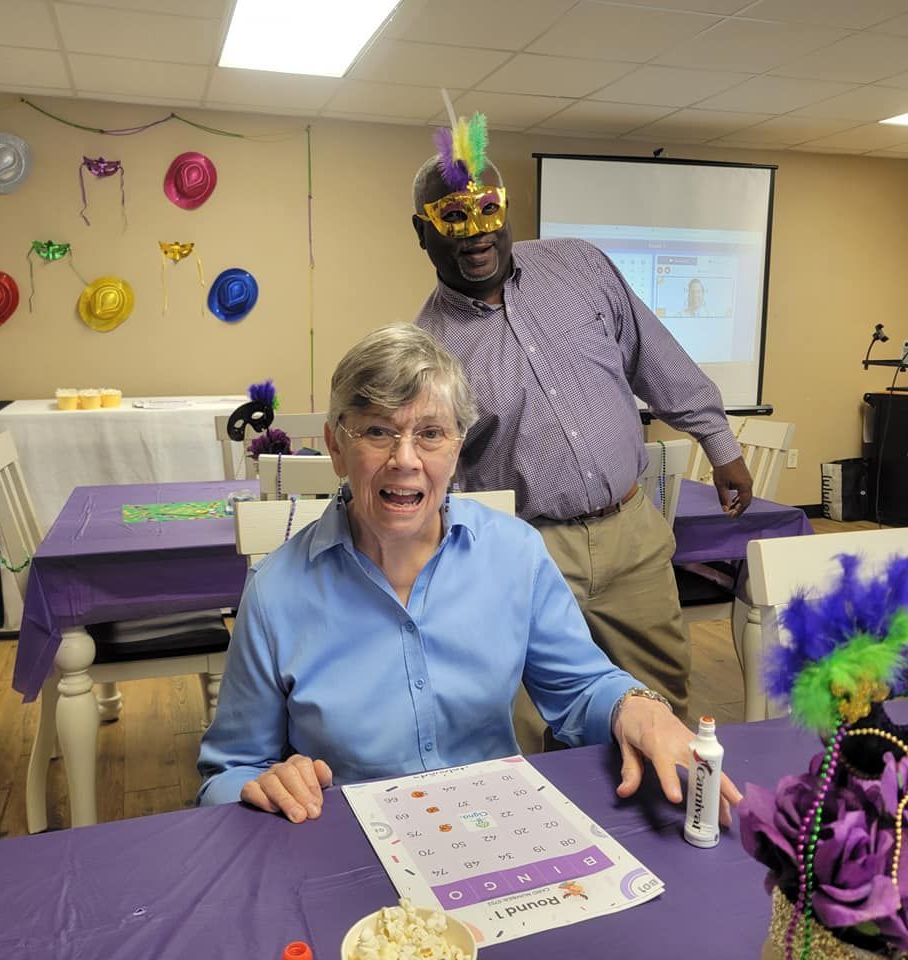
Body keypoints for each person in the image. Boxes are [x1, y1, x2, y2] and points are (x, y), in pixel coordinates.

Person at [196, 324, 742, 825]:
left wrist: (638, 709)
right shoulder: (276, 592)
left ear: (458, 448)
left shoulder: (514, 555)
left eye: (430, 433)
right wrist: (260, 783)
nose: (404, 459)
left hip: (496, 830)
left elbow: (580, 688)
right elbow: (229, 771)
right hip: (349, 850)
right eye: (378, 433)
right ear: (337, 447)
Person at [411, 113, 752, 726]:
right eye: (453, 219)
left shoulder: (579, 266)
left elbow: (656, 356)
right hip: (524, 549)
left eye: (487, 211)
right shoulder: (427, 350)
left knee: (662, 706)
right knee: (534, 723)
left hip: (632, 532)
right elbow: (440, 477)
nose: (475, 234)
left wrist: (718, 440)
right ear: (423, 232)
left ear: (506, 208)